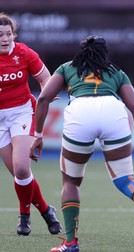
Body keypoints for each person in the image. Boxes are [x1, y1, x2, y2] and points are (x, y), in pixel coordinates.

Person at [29, 35, 134, 252]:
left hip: (80, 112)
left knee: (71, 182)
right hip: (113, 111)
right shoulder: (116, 72)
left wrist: (38, 135)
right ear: (104, 53)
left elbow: (43, 99)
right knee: (125, 179)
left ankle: (71, 243)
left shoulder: (67, 68)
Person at [0, 12, 61, 236]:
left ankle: (24, 217)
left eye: (8, 34)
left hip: (22, 113)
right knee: (20, 175)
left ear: (13, 34)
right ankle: (46, 211)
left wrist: (47, 94)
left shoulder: (23, 52)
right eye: (0, 35)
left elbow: (46, 78)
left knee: (23, 168)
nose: (5, 39)